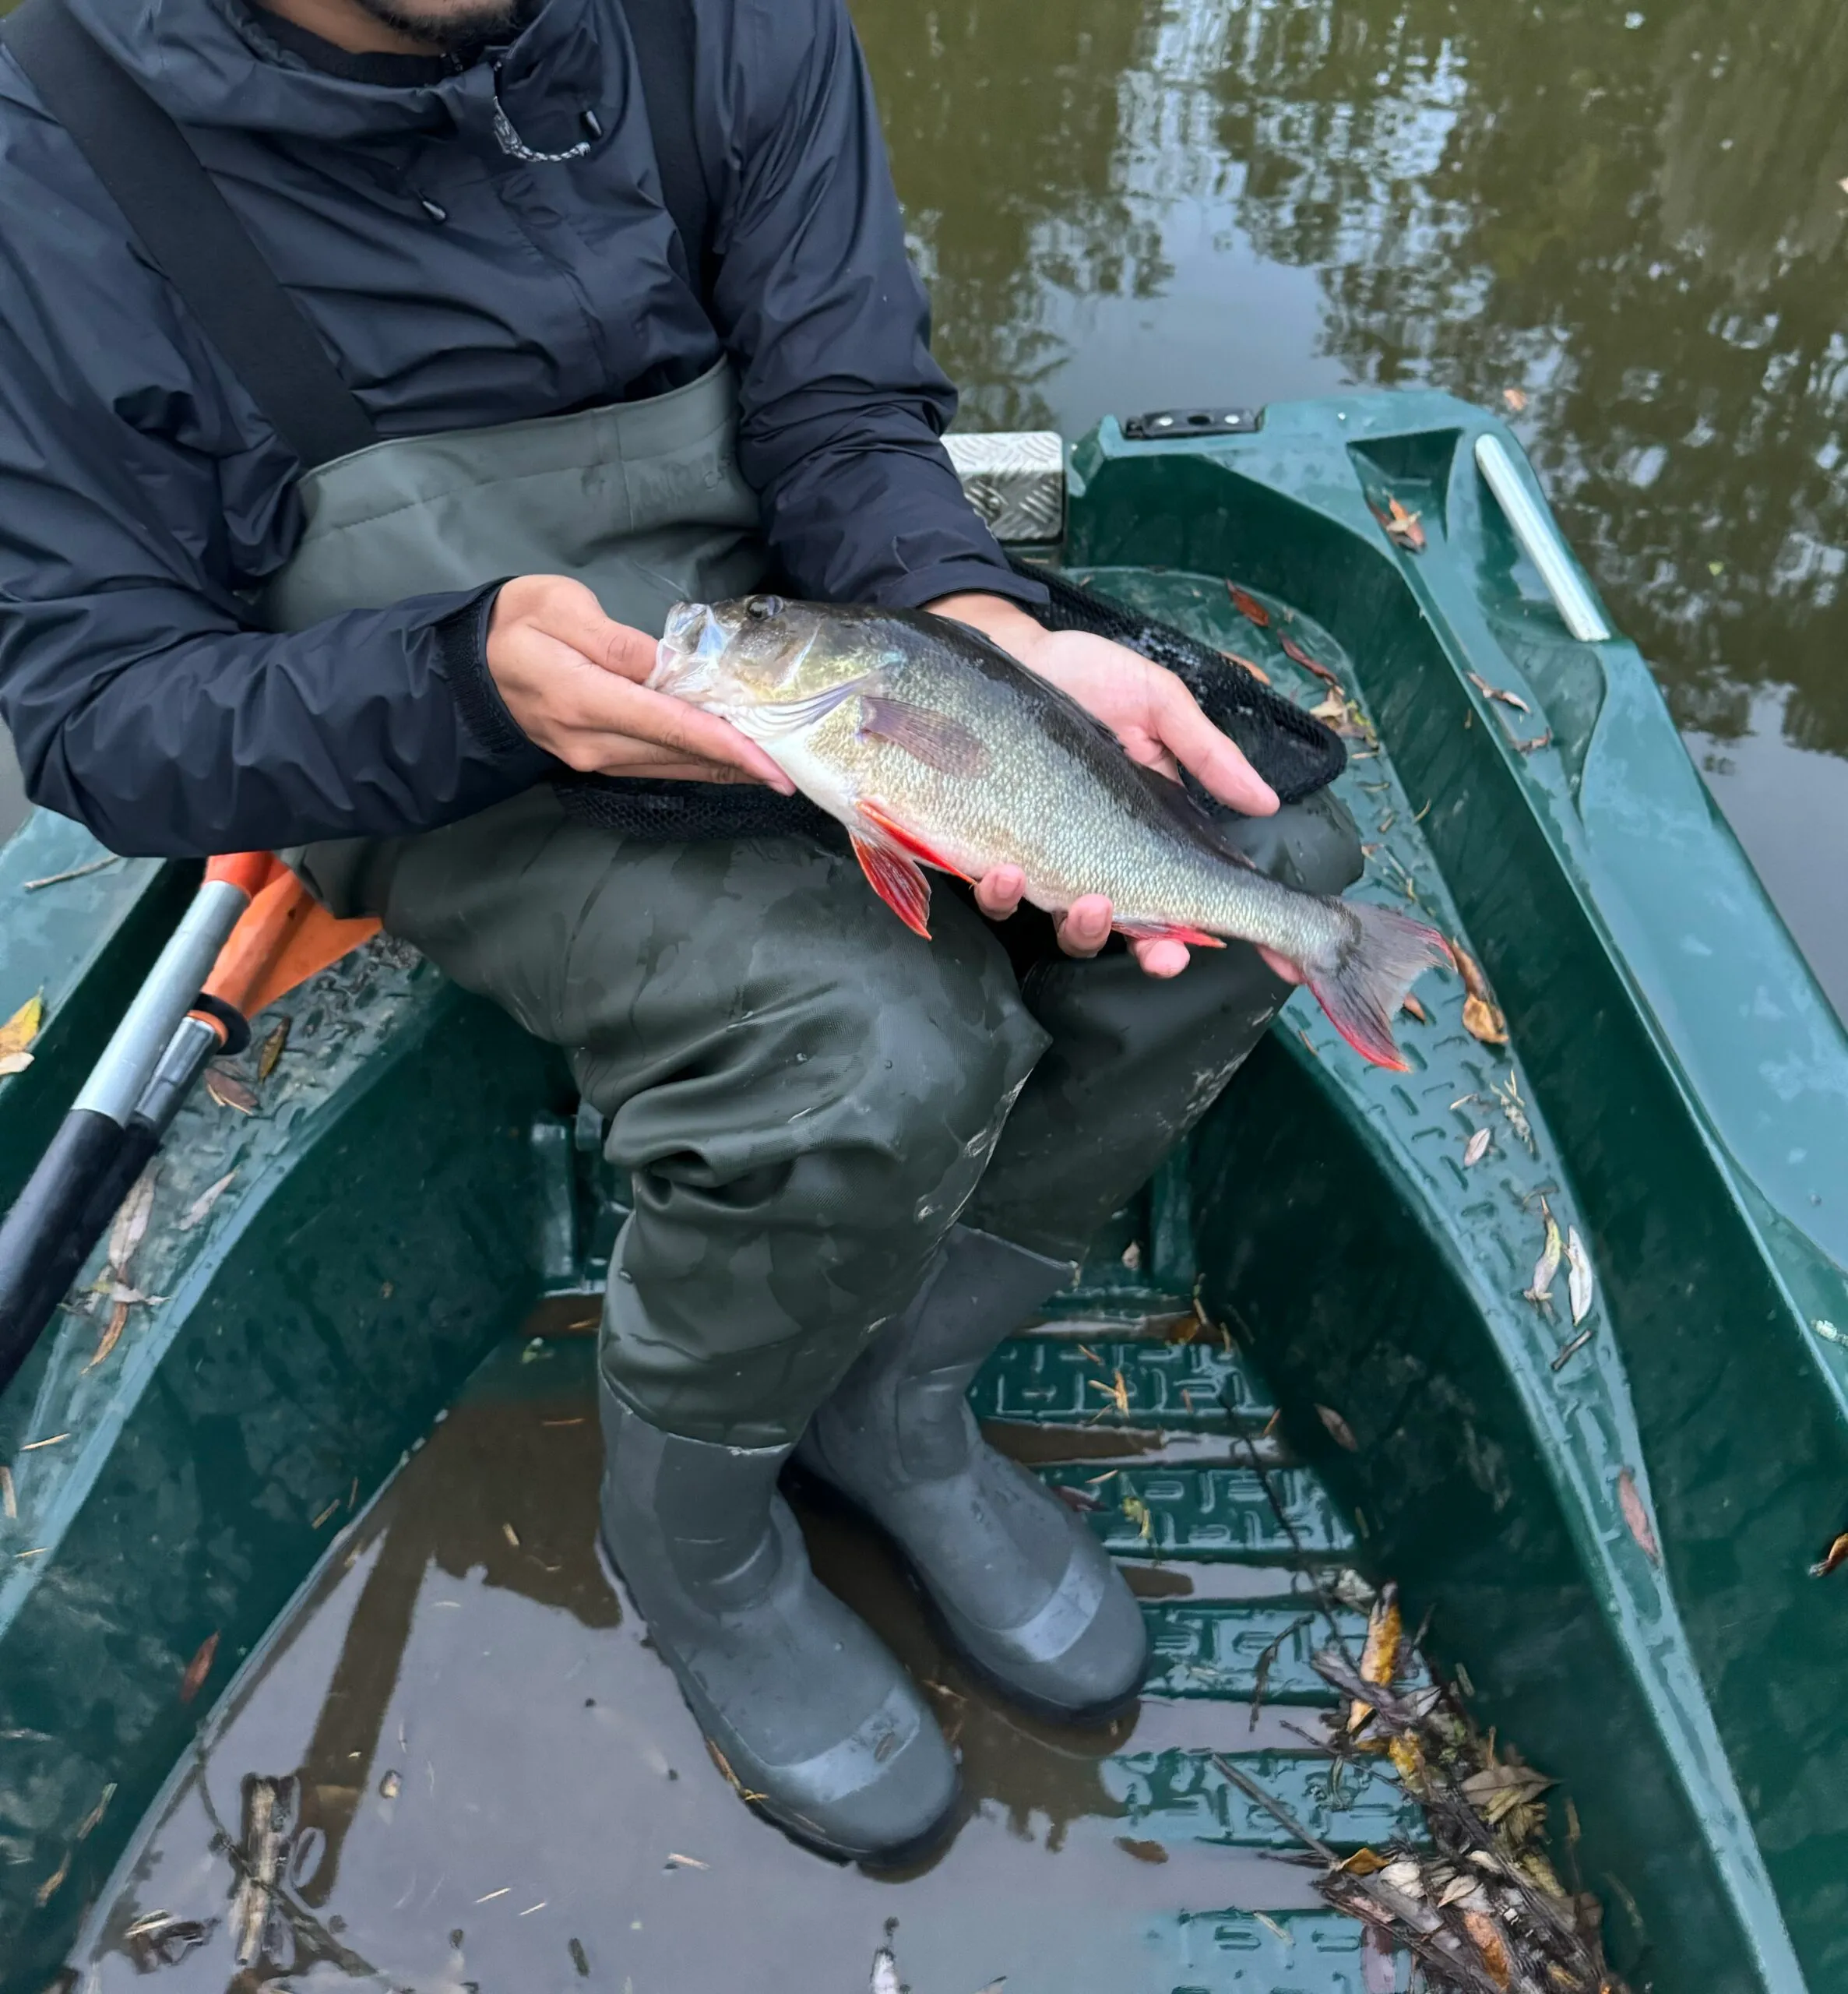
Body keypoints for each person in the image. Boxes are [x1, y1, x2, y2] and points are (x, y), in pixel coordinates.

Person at [0, 0, 1358, 1862]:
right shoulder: (46, 143)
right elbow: (101, 711)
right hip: (416, 727)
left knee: (1259, 863)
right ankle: (694, 1537)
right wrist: (463, 683)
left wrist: (969, 621)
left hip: (799, 648)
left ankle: (898, 1397)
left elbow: (842, 412)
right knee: (873, 1049)